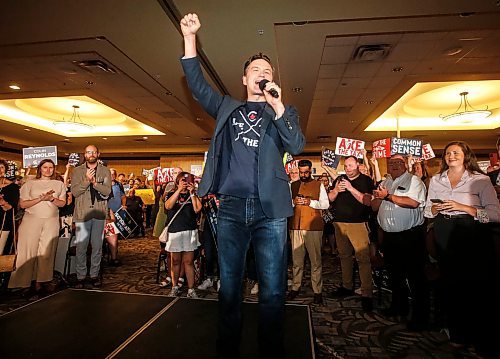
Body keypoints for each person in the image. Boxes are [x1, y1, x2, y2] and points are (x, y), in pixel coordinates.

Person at [180, 13, 305, 359]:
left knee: (272, 289)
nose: (262, 75)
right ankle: (227, 348)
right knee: (231, 287)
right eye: (256, 71)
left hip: (271, 212)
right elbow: (197, 85)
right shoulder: (227, 108)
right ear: (244, 79)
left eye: (268, 72)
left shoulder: (284, 112)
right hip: (231, 207)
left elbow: (295, 146)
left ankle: (271, 349)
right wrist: (190, 39)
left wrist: (278, 105)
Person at [424, 141, 500, 357]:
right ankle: (459, 336)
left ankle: (482, 341)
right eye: (448, 153)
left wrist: (465, 208)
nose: (451, 155)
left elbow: (495, 215)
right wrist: (435, 208)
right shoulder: (436, 180)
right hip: (444, 231)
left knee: (476, 290)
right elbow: (428, 211)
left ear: (466, 155)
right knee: (451, 287)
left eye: (456, 152)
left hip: (472, 233)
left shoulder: (480, 180)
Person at [371, 154, 429, 330]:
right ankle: (399, 308)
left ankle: (421, 318)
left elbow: (413, 203)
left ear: (406, 165)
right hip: (390, 237)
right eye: (391, 163)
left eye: (399, 162)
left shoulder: (414, 181)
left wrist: (387, 196)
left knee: (415, 278)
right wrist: (379, 197)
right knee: (395, 276)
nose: (394, 165)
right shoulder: (386, 182)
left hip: (410, 237)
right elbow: (374, 206)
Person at [8, 159, 66, 291]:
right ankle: (23, 283)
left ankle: (41, 281)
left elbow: (62, 203)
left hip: (51, 221)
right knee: (27, 252)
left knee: (47, 252)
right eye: (45, 167)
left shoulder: (59, 184)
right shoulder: (29, 184)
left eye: (51, 167)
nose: (48, 170)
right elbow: (23, 204)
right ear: (40, 168)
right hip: (31, 220)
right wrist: (40, 199)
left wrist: (51, 198)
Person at [328, 156, 374, 312]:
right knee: (344, 256)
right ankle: (347, 286)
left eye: (351, 165)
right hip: (340, 223)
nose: (348, 168)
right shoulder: (339, 179)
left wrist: (350, 188)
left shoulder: (366, 180)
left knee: (363, 259)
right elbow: (330, 198)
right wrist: (336, 190)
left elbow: (367, 201)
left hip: (358, 224)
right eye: (346, 166)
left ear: (358, 166)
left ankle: (367, 293)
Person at [288, 160, 329, 304]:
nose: (303, 174)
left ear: (310, 170)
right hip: (296, 226)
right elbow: (287, 204)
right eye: (301, 172)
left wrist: (309, 202)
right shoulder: (292, 185)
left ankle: (317, 290)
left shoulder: (319, 185)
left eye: (306, 172)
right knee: (296, 261)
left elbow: (325, 204)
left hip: (313, 227)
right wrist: (294, 201)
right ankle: (295, 287)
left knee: (315, 261)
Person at [71, 145, 112, 288]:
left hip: (99, 214)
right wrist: (87, 181)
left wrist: (94, 183)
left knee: (97, 247)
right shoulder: (77, 171)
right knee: (81, 247)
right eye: (88, 152)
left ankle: (94, 275)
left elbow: (107, 191)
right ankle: (81, 276)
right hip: (82, 215)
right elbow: (75, 192)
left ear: (98, 154)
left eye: (94, 152)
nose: (91, 154)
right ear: (85, 154)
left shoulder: (105, 171)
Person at [164, 172, 202, 298]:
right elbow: (168, 206)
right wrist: (179, 190)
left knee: (189, 261)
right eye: (182, 180)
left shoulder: (193, 195)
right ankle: (175, 287)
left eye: (187, 180)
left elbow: (197, 209)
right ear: (177, 181)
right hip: (175, 231)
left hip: (189, 231)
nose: (185, 182)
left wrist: (192, 193)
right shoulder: (170, 194)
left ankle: (191, 289)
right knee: (175, 261)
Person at [0, 159, 19, 256]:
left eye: (2, 167)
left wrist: (3, 202)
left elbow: (10, 208)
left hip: (3, 225)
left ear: (6, 170)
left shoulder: (13, 188)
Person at [106, 168, 126, 265]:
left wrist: (123, 205)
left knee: (115, 235)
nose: (112, 176)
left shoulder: (119, 185)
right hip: (106, 214)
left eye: (114, 174)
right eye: (110, 174)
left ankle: (114, 257)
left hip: (117, 212)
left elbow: (123, 196)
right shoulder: (104, 185)